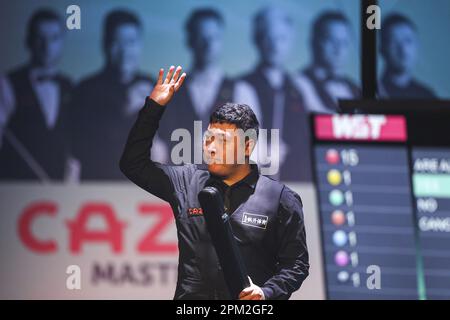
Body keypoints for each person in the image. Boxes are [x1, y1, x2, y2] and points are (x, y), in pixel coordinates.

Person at [120, 66, 309, 300]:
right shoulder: (186, 181)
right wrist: (154, 107)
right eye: (208, 138)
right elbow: (132, 164)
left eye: (221, 141)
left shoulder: (281, 198)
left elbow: (296, 264)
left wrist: (266, 292)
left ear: (248, 146)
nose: (210, 147)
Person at [160, 8, 261, 164]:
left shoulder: (242, 92)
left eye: (215, 37)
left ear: (221, 41)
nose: (208, 44)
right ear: (189, 41)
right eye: (202, 37)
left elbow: (254, 152)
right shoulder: (169, 92)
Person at [69, 9, 161, 180]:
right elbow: (80, 149)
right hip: (96, 185)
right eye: (117, 42)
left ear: (140, 44)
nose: (125, 50)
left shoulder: (155, 87)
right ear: (105, 44)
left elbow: (165, 147)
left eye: (131, 42)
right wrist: (126, 109)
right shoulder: (85, 90)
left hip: (143, 190)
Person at [237, 6, 311, 182]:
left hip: (298, 184)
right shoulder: (243, 86)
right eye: (268, 37)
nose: (275, 45)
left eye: (282, 38)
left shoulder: (299, 89)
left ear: (291, 41)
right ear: (257, 39)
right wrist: (264, 152)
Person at [0, 9, 73, 181]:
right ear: (29, 41)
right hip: (14, 188)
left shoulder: (69, 86)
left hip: (60, 189)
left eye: (54, 38)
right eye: (41, 38)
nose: (47, 46)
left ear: (62, 42)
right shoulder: (8, 83)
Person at [293, 11, 360, 113]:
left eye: (344, 43)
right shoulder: (296, 84)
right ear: (314, 42)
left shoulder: (355, 89)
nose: (338, 49)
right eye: (331, 40)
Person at [378, 13, 436, 99]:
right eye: (394, 42)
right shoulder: (372, 92)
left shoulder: (428, 96)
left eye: (408, 41)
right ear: (382, 49)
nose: (403, 50)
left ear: (417, 45)